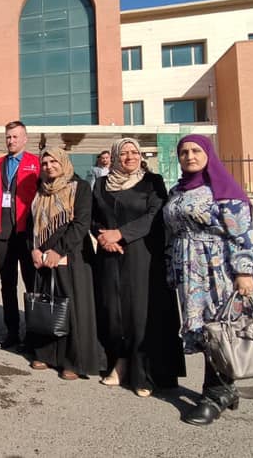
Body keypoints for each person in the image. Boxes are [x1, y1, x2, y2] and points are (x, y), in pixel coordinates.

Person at [163, 134, 253, 426]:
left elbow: (242, 233)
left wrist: (244, 272)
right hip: (187, 267)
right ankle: (225, 389)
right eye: (183, 152)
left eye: (195, 151)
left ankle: (216, 393)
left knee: (219, 329)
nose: (189, 156)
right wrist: (172, 268)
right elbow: (172, 233)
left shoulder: (223, 190)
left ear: (208, 153)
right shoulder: (177, 192)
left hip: (217, 268)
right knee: (204, 328)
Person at [91, 138, 184, 397]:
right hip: (109, 256)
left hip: (142, 255)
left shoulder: (152, 182)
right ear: (114, 157)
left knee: (139, 312)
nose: (129, 157)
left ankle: (142, 372)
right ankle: (119, 362)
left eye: (134, 152)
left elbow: (155, 216)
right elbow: (94, 218)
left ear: (140, 156)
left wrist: (120, 233)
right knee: (113, 311)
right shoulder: (101, 184)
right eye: (123, 153)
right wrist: (103, 237)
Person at [26, 146, 103, 380]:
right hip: (43, 256)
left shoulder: (79, 187)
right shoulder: (41, 190)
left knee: (71, 308)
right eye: (45, 163)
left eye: (53, 162)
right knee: (47, 305)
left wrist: (57, 252)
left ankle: (73, 361)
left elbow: (80, 224)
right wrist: (34, 249)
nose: (49, 166)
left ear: (63, 162)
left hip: (72, 255)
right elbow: (32, 223)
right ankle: (46, 354)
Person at [0, 120, 40, 349]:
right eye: (8, 137)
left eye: (16, 137)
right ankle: (12, 331)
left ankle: (34, 332)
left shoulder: (36, 164)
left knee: (31, 284)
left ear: (25, 139)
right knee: (7, 284)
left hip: (26, 233)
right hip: (2, 232)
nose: (11, 141)